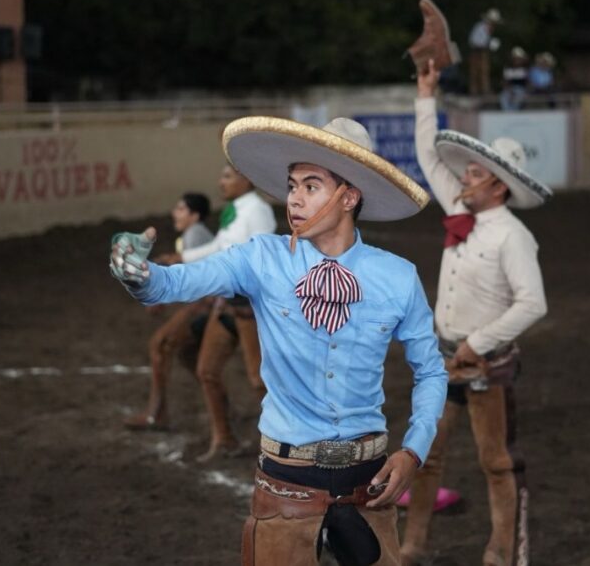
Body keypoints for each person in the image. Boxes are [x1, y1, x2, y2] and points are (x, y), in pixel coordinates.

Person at [110, 116, 447, 565]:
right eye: (292, 186)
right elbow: (175, 283)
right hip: (286, 481)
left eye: (311, 186)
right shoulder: (261, 257)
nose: (294, 199)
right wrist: (140, 275)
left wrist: (413, 451)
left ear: (349, 197)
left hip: (369, 483)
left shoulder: (398, 277)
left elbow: (431, 370)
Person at [402, 60, 551, 566]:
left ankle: (500, 551)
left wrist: (477, 343)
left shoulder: (513, 236)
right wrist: (426, 93)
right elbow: (427, 155)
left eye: (475, 173)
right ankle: (414, 545)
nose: (464, 177)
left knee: (495, 460)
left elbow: (533, 303)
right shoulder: (461, 210)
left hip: (484, 361)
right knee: (427, 454)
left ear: (498, 187)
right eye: (466, 171)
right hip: (444, 358)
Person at [157, 165, 276, 460]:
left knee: (259, 380)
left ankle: (285, 443)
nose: (221, 183)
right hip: (231, 303)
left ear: (246, 179)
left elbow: (260, 256)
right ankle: (224, 439)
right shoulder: (235, 211)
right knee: (207, 370)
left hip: (250, 306)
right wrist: (183, 257)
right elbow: (220, 247)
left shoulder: (257, 210)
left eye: (227, 177)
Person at [123, 192, 214, 431]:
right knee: (188, 354)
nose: (175, 213)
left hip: (208, 304)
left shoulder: (195, 235)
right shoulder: (195, 235)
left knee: (160, 345)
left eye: (181, 209)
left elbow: (197, 281)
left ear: (195, 215)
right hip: (211, 303)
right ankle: (223, 407)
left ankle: (156, 414)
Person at [468, 9, 502, 95]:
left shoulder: (487, 29)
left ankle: (483, 90)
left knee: (484, 71)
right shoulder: (480, 27)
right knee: (476, 72)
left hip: (482, 51)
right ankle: (476, 91)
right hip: (477, 51)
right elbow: (474, 40)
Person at [500, 47, 530, 111]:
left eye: (519, 59)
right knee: (503, 97)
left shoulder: (525, 69)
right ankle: (507, 112)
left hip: (521, 90)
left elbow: (527, 83)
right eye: (515, 58)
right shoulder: (508, 69)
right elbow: (505, 82)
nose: (517, 60)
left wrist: (527, 91)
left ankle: (513, 112)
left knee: (518, 97)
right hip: (509, 89)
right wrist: (509, 90)